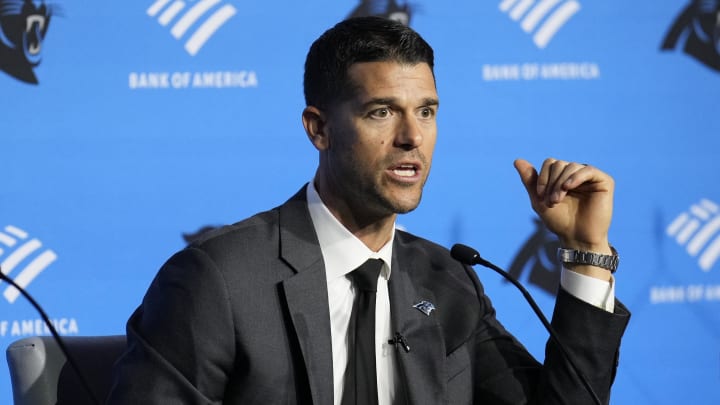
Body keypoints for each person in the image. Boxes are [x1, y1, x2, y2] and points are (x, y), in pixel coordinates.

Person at [106, 16, 630, 405]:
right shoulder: (218, 279)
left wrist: (586, 254)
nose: (412, 138)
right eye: (382, 112)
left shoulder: (448, 283)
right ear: (319, 128)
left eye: (426, 111)